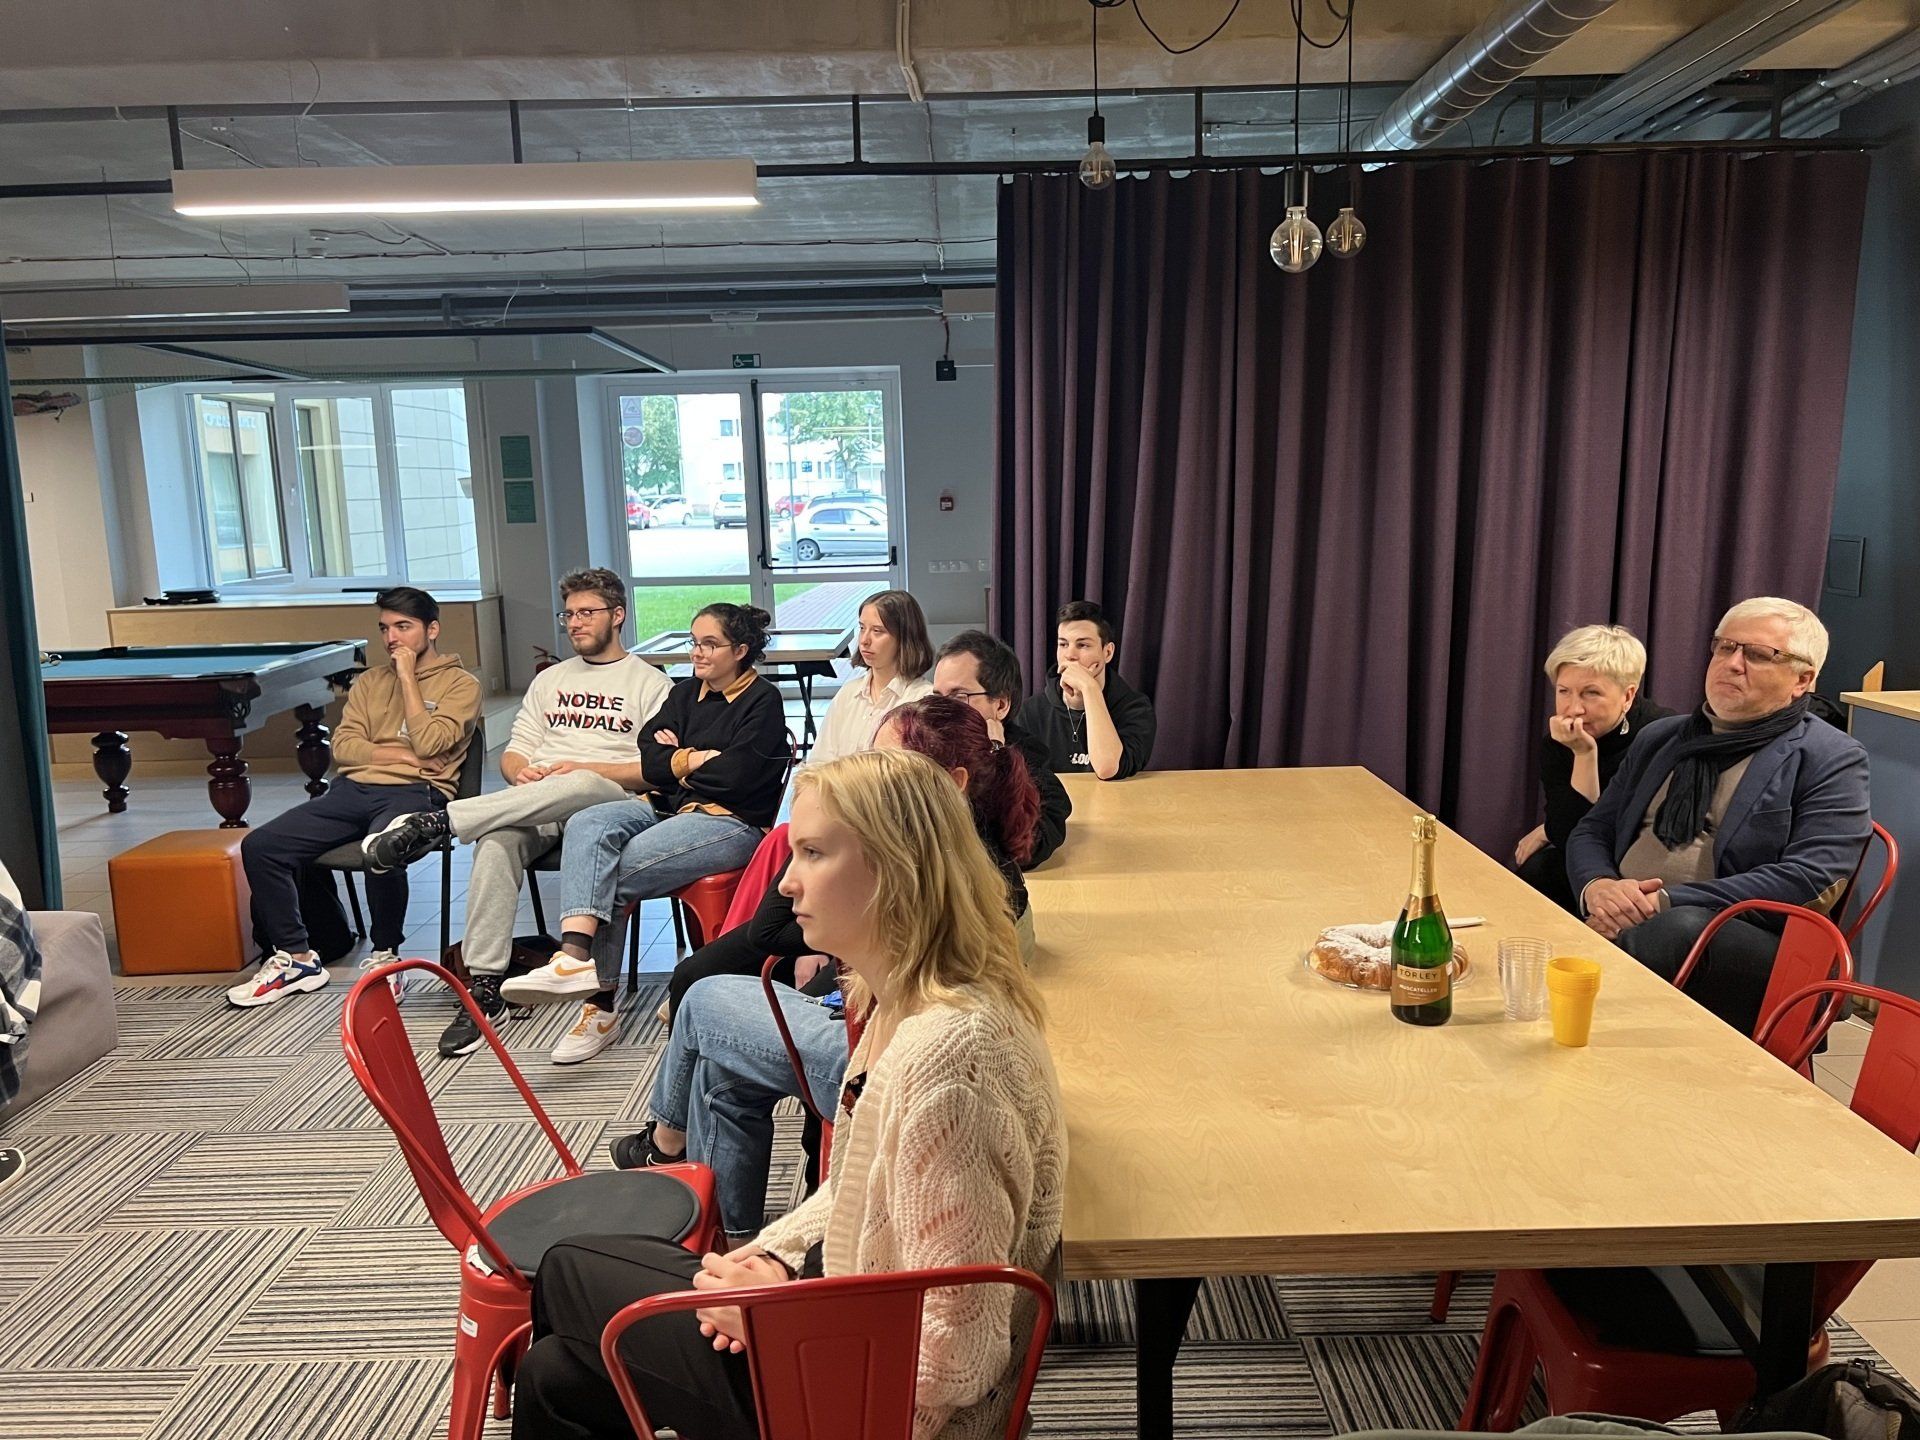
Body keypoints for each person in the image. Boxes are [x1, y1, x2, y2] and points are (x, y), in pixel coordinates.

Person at [511, 747, 1067, 1440]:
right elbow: (858, 1188)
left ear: (894, 869)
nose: (786, 882)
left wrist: (778, 1318)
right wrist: (772, 1258)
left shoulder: (950, 1060)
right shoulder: (903, 997)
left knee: (567, 1270)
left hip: (877, 1401)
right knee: (556, 1375)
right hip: (846, 1325)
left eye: (812, 854)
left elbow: (958, 1354)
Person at [362, 568, 672, 1058]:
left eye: (586, 613)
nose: (574, 623)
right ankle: (485, 988)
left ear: (618, 615)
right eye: (568, 614)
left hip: (607, 804)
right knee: (495, 841)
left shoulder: (652, 684)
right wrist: (520, 772)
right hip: (540, 800)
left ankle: (442, 821)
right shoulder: (550, 680)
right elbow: (515, 752)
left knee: (581, 781)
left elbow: (653, 771)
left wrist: (581, 769)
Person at [498, 603, 790, 1065]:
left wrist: (676, 761)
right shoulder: (684, 692)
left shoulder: (763, 700)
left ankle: (599, 1005)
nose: (696, 653)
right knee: (589, 822)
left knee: (609, 875)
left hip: (729, 821)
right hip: (663, 807)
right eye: (694, 642)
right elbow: (647, 754)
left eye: (709, 644)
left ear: (740, 650)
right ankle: (573, 958)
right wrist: (696, 759)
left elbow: (736, 777)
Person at [1566, 597, 1871, 1034]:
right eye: (1725, 647)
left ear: (1802, 679)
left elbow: (1811, 878)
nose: (1732, 663)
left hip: (1754, 939)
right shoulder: (1662, 737)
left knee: (1676, 929)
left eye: (1759, 654)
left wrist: (1663, 903)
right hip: (1634, 912)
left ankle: (1595, 1038)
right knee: (1543, 870)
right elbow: (1594, 828)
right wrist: (1600, 888)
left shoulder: (1831, 756)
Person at [229, 587, 480, 1009]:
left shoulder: (461, 685)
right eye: (385, 628)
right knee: (262, 846)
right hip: (352, 790)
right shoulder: (369, 682)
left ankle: (386, 959)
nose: (392, 638)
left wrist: (407, 678)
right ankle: (297, 958)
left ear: (432, 630)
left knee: (381, 848)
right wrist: (403, 754)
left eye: (403, 627)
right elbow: (344, 747)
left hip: (418, 795)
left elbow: (432, 742)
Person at [1513, 624, 1673, 912]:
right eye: (1564, 691)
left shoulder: (1662, 735)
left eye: (1591, 693)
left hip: (1644, 858)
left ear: (1627, 696)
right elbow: (1570, 837)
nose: (1574, 708)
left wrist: (1547, 830)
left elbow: (1627, 830)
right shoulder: (1559, 741)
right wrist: (1583, 754)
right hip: (1590, 858)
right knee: (1538, 872)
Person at [933, 629, 1071, 866]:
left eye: (959, 697)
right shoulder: (922, 744)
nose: (942, 710)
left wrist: (996, 757)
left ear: (1001, 705)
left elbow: (1032, 845)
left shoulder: (1026, 754)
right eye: (937, 697)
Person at [1013, 600, 1155, 780]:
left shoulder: (1135, 709)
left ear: (1108, 652)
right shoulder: (1030, 712)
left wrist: (1090, 689)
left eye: (1083, 645)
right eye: (1063, 644)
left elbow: (1108, 769)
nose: (1070, 655)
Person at [802, 589, 933, 768]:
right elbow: (818, 762)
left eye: (877, 631)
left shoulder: (922, 699)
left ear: (905, 638)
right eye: (862, 628)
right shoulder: (848, 693)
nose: (864, 640)